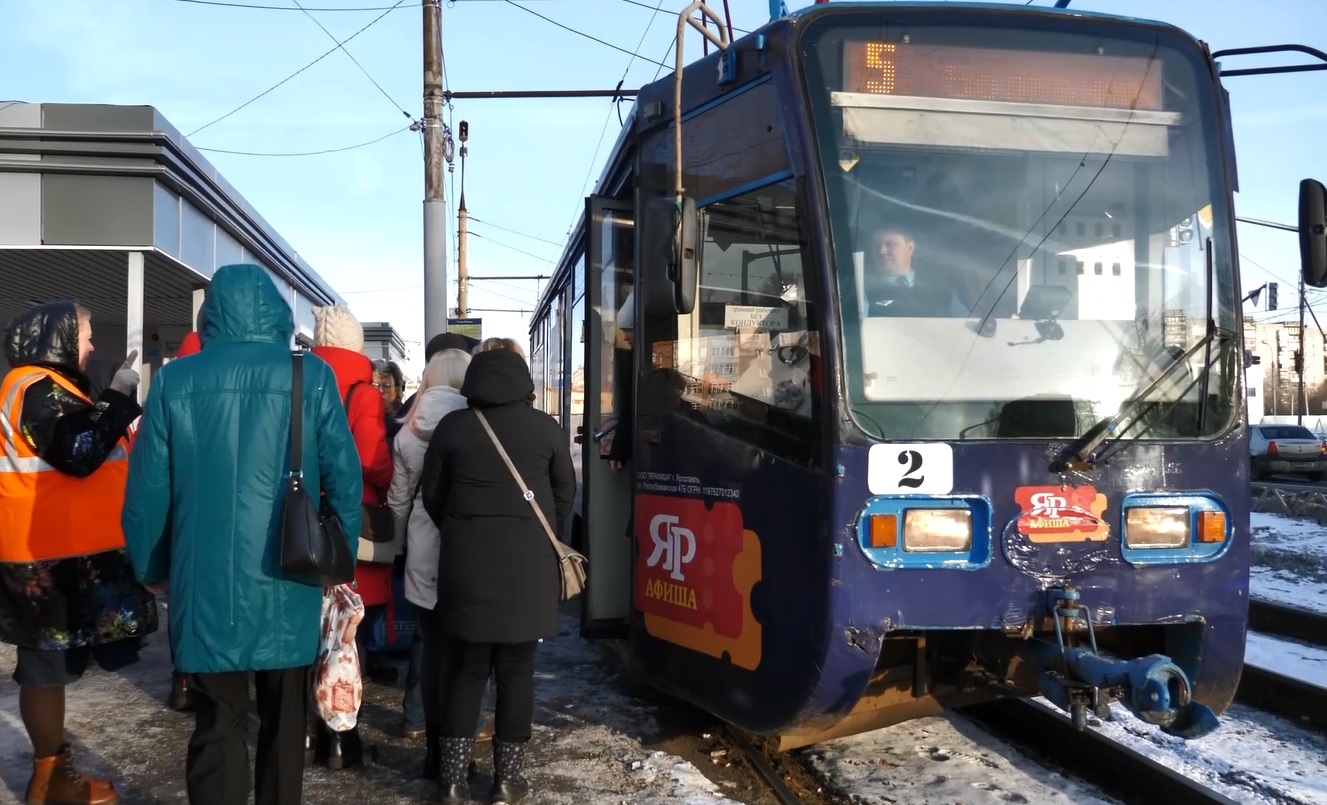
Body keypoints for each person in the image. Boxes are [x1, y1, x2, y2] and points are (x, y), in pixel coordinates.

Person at [121, 264, 363, 805]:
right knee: (284, 724)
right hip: (292, 575)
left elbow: (146, 495)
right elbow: (345, 477)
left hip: (205, 583)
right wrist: (336, 564)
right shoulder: (311, 375)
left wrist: (152, 569)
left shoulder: (176, 382)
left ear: (211, 317)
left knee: (217, 725)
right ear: (277, 314)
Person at [0, 300, 156, 805]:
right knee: (45, 671)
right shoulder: (33, 388)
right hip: (43, 559)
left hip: (60, 555)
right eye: (84, 335)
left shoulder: (51, 389)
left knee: (55, 668)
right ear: (57, 337)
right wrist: (117, 397)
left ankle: (56, 773)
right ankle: (49, 782)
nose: (90, 345)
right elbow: (79, 452)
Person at [420, 347, 575, 804]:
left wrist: (464, 527)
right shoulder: (547, 428)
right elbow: (562, 499)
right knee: (517, 672)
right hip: (527, 573)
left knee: (465, 672)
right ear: (524, 384)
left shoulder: (453, 428)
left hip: (465, 570)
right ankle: (507, 781)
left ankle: (451, 781)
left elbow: (433, 497)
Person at [387, 348, 491, 775]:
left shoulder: (408, 431)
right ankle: (459, 753)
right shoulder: (479, 423)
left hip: (423, 546)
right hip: (470, 547)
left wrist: (397, 548)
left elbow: (397, 500)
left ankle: (432, 749)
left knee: (429, 650)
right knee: (467, 655)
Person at [310, 304, 395, 768]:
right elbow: (370, 457)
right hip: (349, 524)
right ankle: (343, 738)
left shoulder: (297, 378)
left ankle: (310, 732)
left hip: (300, 522)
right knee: (346, 630)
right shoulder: (362, 394)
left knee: (310, 629)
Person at [374, 358, 407, 442]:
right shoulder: (362, 417)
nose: (380, 391)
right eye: (375, 385)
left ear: (397, 389)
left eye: (387, 386)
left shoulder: (404, 420)